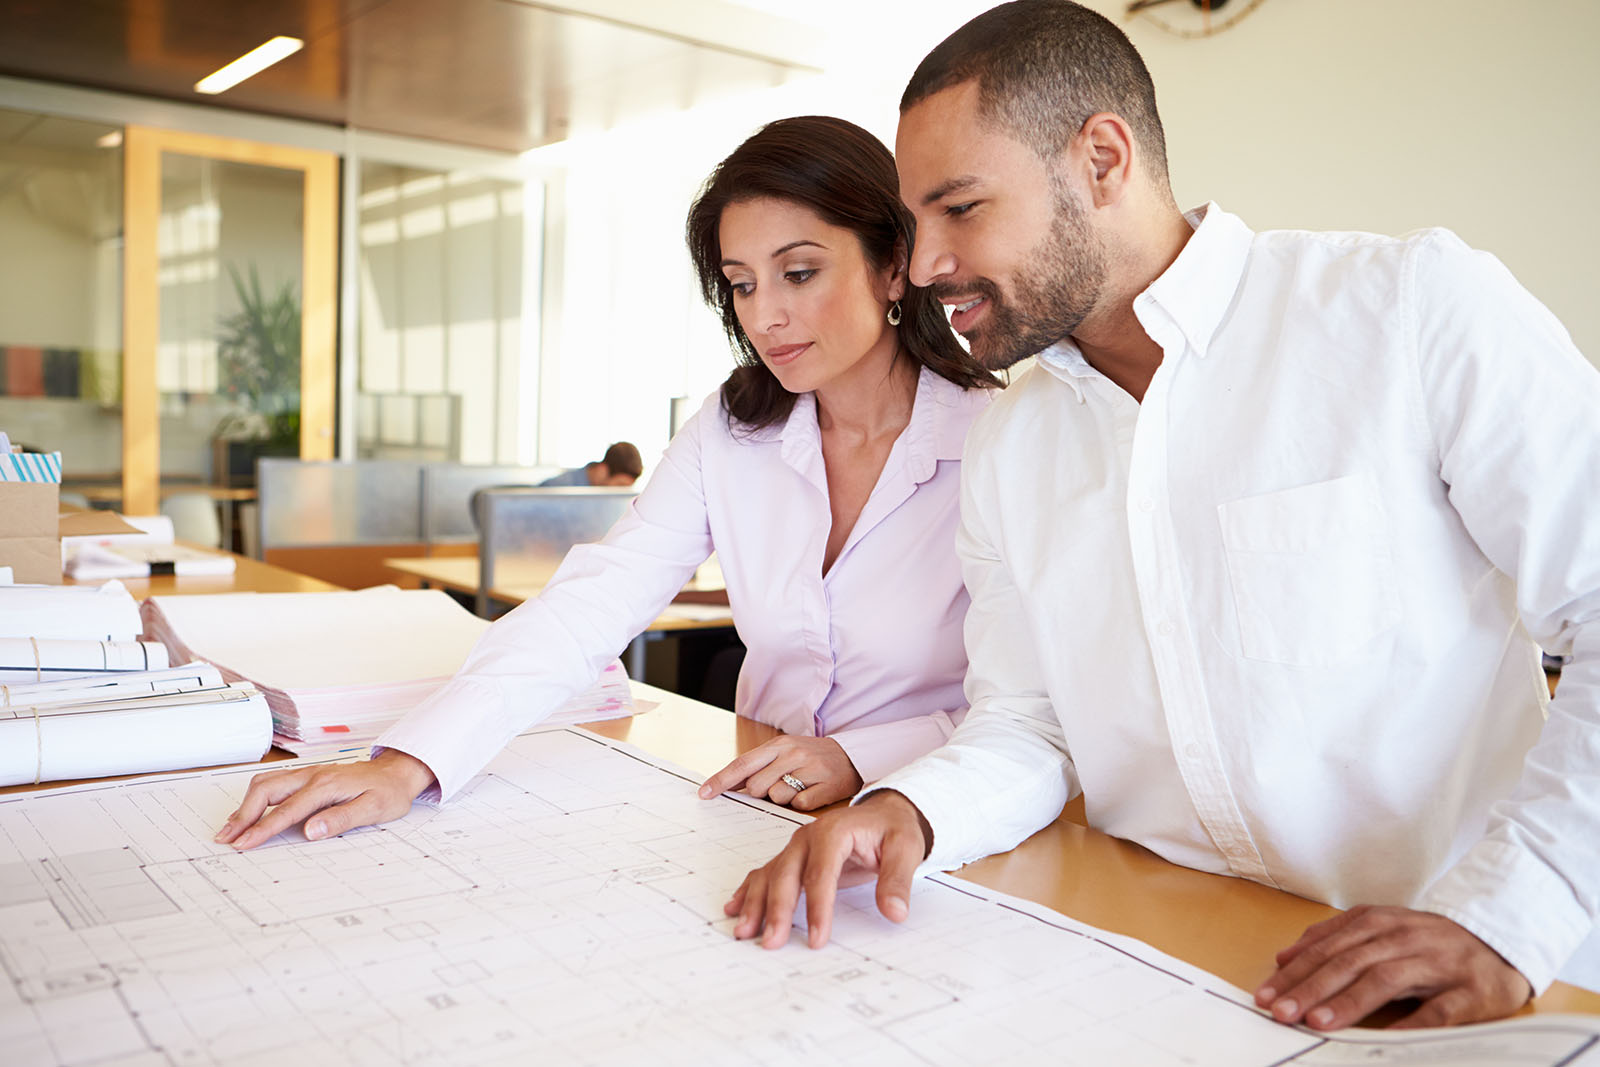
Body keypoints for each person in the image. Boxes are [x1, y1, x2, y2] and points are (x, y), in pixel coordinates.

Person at [726, 0, 1600, 1033]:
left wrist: (1513, 909)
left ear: (1102, 159)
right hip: (1166, 975)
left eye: (961, 208)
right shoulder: (1012, 445)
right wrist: (911, 807)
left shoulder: (1407, 311)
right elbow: (1030, 720)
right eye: (914, 226)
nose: (922, 269)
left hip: (1476, 971)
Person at [215, 116, 999, 849]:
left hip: (941, 819)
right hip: (757, 810)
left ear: (894, 265)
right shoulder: (732, 430)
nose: (766, 316)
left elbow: (1040, 703)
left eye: (798, 272)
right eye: (743, 283)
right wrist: (411, 762)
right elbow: (592, 603)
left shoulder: (995, 438)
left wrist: (863, 756)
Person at [537, 441, 644, 487]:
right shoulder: (555, 489)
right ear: (603, 470)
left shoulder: (609, 503)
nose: (622, 492)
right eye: (620, 485)